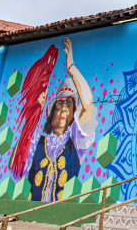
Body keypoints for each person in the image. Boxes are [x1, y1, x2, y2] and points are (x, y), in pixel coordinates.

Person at [25, 37, 96, 201]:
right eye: (59, 104)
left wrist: (71, 68)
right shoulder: (38, 142)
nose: (64, 108)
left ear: (73, 113)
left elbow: (89, 106)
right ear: (51, 113)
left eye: (69, 104)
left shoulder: (76, 141)